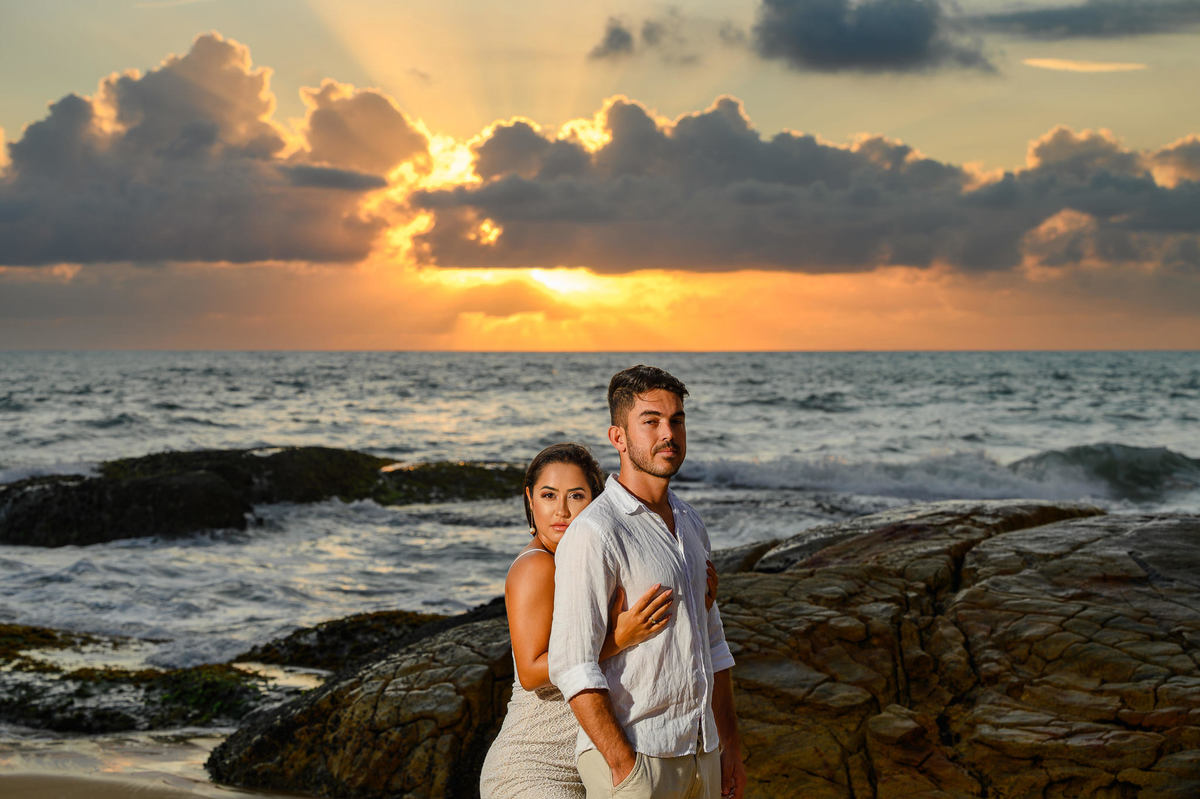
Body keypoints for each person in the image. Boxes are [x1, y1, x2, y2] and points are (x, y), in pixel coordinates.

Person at [549, 366, 745, 799]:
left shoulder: (691, 525)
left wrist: (729, 746)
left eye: (676, 420)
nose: (668, 433)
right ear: (618, 437)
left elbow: (713, 646)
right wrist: (624, 767)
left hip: (702, 751)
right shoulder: (595, 532)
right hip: (639, 755)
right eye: (651, 421)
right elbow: (570, 663)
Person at [480, 443, 717, 799]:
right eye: (548, 495)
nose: (561, 510)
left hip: (593, 761)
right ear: (530, 500)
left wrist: (695, 602)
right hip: (535, 766)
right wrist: (618, 638)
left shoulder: (593, 559)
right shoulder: (537, 567)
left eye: (576, 495)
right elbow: (530, 673)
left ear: (596, 501)